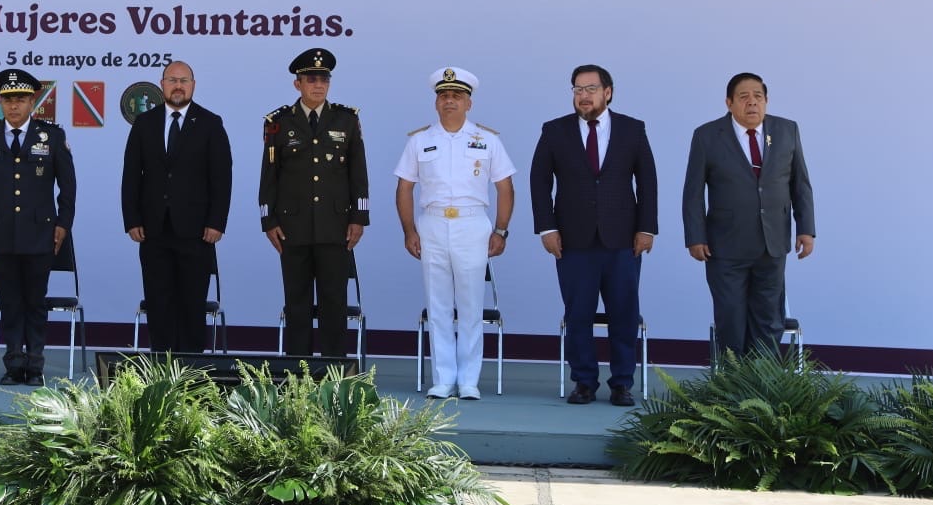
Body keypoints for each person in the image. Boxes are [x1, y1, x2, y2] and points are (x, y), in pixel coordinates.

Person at [530, 64, 658, 406]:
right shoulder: (555, 131)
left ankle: (622, 383)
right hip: (572, 240)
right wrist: (547, 227)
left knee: (624, 314)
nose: (582, 95)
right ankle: (584, 381)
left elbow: (647, 181)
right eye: (577, 89)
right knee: (579, 314)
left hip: (624, 240)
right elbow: (540, 182)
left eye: (590, 89)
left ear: (608, 92)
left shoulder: (632, 129)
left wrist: (646, 228)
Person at [394, 67, 513, 400]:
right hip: (431, 223)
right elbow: (404, 188)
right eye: (444, 96)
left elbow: (505, 188)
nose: (450, 101)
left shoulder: (487, 140)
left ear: (469, 103)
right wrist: (409, 230)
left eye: (457, 96)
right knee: (438, 304)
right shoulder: (420, 140)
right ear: (436, 103)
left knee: (471, 303)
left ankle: (469, 380)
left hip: (472, 223)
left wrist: (501, 230)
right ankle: (444, 378)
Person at [683, 72, 815, 357]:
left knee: (769, 318)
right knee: (731, 318)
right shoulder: (707, 136)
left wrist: (806, 228)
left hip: (772, 243)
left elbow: (800, 184)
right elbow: (693, 193)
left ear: (766, 101)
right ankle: (732, 387)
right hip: (725, 246)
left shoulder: (786, 130)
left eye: (758, 96)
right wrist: (695, 236)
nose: (752, 103)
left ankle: (762, 387)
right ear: (729, 103)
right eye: (744, 97)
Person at [0, 68, 76, 385]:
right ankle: (14, 364)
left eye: (21, 99)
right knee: (10, 301)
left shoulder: (51, 136)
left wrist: (62, 225)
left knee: (35, 302)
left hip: (40, 232)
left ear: (33, 103)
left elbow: (68, 187)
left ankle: (36, 366)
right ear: (0, 102)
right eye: (8, 99)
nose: (14, 106)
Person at [260, 48, 369, 359]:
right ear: (298, 84)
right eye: (311, 79)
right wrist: (269, 220)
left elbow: (358, 172)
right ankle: (299, 374)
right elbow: (269, 176)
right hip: (291, 228)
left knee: (334, 302)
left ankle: (335, 374)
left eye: (323, 79)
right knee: (297, 304)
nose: (318, 85)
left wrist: (359, 217)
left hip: (336, 226)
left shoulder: (346, 120)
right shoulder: (278, 122)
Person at [121, 61, 232, 353]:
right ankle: (161, 371)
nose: (178, 85)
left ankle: (192, 373)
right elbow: (131, 174)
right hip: (153, 231)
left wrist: (216, 222)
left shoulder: (210, 123)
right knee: (159, 304)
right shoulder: (145, 123)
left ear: (193, 85)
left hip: (197, 232)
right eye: (172, 80)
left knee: (192, 305)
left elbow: (222, 177)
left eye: (184, 80)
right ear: (162, 84)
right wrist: (132, 219)